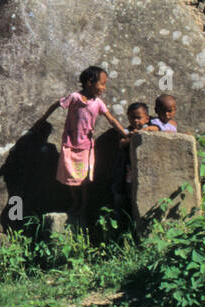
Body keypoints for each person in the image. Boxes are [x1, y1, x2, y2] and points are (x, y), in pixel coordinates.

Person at [36, 66, 128, 213]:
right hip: (70, 145)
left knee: (84, 178)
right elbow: (57, 104)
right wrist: (43, 118)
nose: (104, 88)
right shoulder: (75, 98)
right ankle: (75, 203)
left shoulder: (98, 103)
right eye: (102, 83)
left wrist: (124, 133)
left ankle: (83, 206)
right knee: (71, 177)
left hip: (86, 147)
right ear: (90, 82)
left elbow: (111, 119)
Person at [113, 101, 158, 210]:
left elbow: (156, 129)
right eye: (132, 117)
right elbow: (122, 144)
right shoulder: (126, 131)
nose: (135, 121)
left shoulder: (149, 128)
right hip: (128, 169)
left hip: (147, 168)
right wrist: (131, 138)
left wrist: (143, 131)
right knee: (129, 191)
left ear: (147, 118)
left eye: (138, 117)